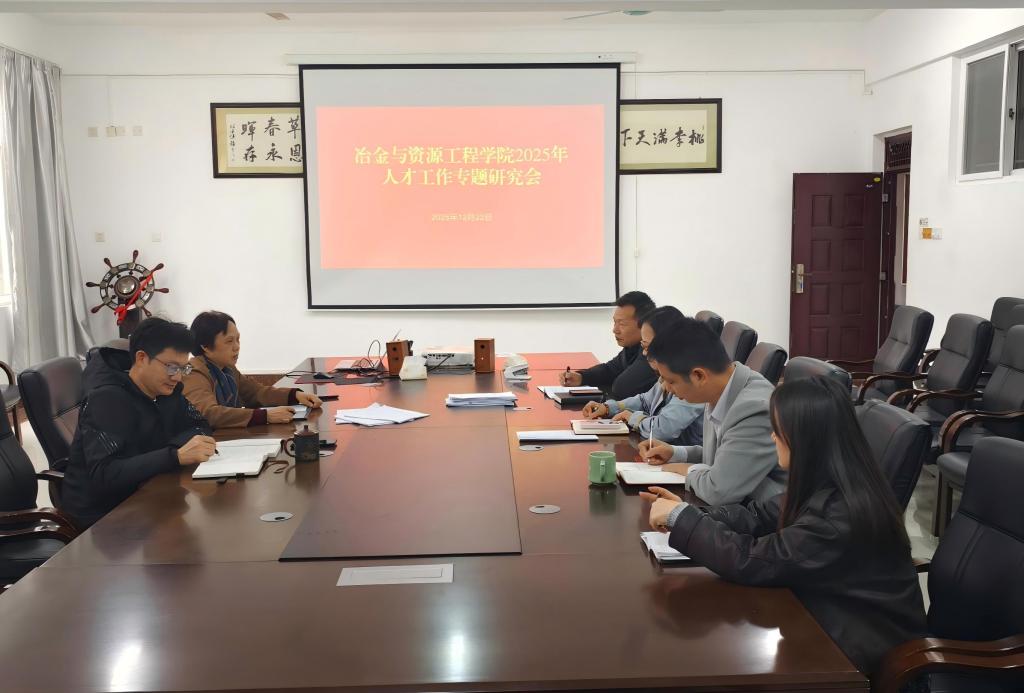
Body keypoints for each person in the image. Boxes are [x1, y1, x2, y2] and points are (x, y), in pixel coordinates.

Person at [642, 376, 927, 677]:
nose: (772, 437)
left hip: (859, 657)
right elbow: (758, 515)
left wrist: (683, 520)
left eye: (778, 430)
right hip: (821, 619)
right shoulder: (827, 482)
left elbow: (755, 560)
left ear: (805, 439)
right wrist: (689, 513)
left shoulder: (839, 515)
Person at [63, 317, 217, 528]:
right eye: (172, 367)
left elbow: (201, 426)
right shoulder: (106, 399)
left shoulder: (167, 391)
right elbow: (105, 474)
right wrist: (174, 455)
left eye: (183, 369)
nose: (178, 377)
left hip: (149, 496)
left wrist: (173, 453)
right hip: (103, 519)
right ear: (142, 358)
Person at [639, 317, 784, 505]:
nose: (666, 388)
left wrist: (687, 470)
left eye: (671, 381)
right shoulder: (720, 388)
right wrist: (675, 453)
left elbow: (719, 491)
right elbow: (724, 454)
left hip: (770, 514)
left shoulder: (754, 408)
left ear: (698, 376)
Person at [582, 306, 704, 445]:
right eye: (643, 346)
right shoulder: (666, 374)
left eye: (647, 347)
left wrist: (633, 418)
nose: (645, 353)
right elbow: (645, 401)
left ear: (668, 345)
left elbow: (662, 430)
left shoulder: (689, 379)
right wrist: (609, 408)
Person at [183, 311, 322, 428]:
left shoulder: (227, 369)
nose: (237, 347)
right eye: (229, 341)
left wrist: (294, 395)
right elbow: (208, 414)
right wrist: (265, 416)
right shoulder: (194, 372)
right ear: (205, 346)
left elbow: (256, 393)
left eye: (238, 339)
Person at [559, 291, 659, 400]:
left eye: (622, 324)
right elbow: (610, 370)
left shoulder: (654, 351)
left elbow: (623, 388)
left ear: (644, 325)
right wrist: (581, 377)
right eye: (615, 322)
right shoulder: (632, 347)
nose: (615, 330)